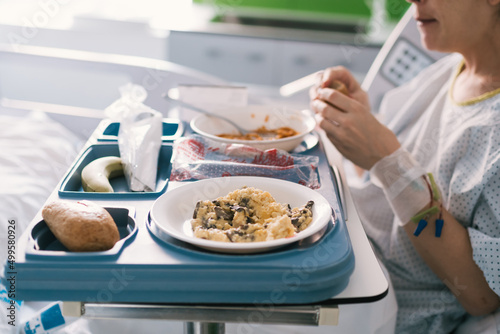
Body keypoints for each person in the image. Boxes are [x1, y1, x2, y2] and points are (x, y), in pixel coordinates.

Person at [310, 0, 500, 332]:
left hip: (381, 305)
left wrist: (387, 159)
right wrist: (363, 124)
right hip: (349, 249)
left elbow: (481, 294)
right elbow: (391, 178)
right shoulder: (452, 69)